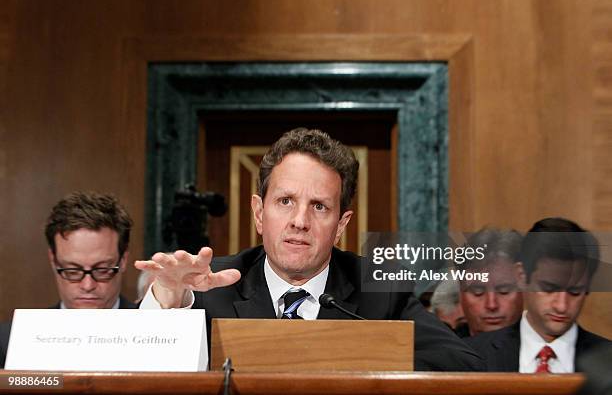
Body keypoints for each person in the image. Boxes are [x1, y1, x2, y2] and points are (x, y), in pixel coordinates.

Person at [137, 128, 484, 371]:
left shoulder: (380, 291)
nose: (299, 220)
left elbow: (463, 365)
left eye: (319, 206)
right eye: (285, 201)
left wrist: (366, 360)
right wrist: (167, 298)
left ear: (341, 226)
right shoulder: (211, 288)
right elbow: (141, 370)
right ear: (259, 213)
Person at [0, 191, 137, 368]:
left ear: (123, 260)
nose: (88, 285)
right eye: (72, 270)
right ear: (53, 260)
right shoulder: (9, 343)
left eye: (102, 269)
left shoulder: (157, 333)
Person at [465, 217, 611, 372]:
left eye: (574, 292)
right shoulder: (471, 356)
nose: (561, 306)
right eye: (548, 289)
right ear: (521, 276)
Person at [458, 228, 524, 336]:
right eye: (478, 292)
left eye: (504, 291)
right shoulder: (441, 350)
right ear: (460, 294)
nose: (491, 305)